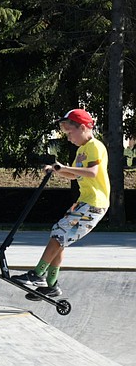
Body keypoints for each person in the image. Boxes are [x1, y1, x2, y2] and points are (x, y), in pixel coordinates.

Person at [14, 108, 109, 299]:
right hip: (84, 202)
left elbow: (92, 173)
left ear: (83, 127)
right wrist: (56, 170)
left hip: (94, 203)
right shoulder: (82, 150)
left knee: (59, 234)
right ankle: (51, 285)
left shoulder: (95, 146)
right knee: (58, 235)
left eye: (69, 133)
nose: (68, 138)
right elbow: (74, 174)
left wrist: (64, 167)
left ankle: (38, 274)